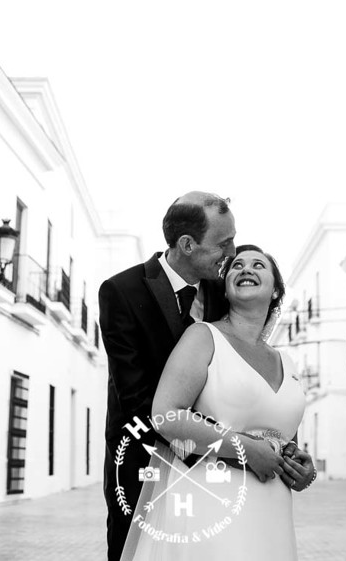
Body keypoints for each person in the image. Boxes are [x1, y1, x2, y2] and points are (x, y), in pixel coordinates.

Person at [119, 245, 315, 561]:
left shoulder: (287, 362)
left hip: (273, 513)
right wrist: (246, 450)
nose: (246, 269)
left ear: (276, 288)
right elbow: (165, 416)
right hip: (212, 502)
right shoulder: (203, 336)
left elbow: (281, 437)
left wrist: (301, 467)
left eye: (258, 265)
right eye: (237, 265)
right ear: (225, 287)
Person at [100, 192, 236, 561]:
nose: (233, 252)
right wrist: (206, 440)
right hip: (143, 457)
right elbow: (134, 393)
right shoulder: (121, 291)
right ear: (187, 244)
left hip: (216, 465)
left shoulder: (223, 292)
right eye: (223, 243)